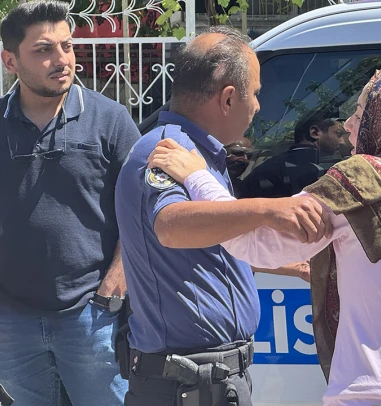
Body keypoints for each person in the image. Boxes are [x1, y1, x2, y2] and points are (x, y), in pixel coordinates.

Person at [148, 66, 381, 405]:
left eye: (360, 114)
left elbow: (252, 243)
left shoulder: (356, 192)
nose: (348, 126)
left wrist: (197, 176)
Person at [115, 26, 331, 406]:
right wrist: (270, 209)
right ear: (229, 98)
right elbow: (171, 226)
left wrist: (291, 266)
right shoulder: (168, 149)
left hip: (207, 377)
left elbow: (209, 245)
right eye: (256, 93)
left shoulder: (198, 155)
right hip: (186, 381)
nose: (258, 106)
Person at [0, 2, 139, 405]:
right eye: (44, 49)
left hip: (93, 316)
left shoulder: (111, 119)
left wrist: (117, 278)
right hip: (12, 322)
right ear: (10, 60)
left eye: (67, 46)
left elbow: (143, 208)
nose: (62, 60)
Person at [237, 110, 348, 198]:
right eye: (338, 134)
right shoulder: (311, 169)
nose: (342, 141)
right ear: (315, 133)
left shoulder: (277, 164)